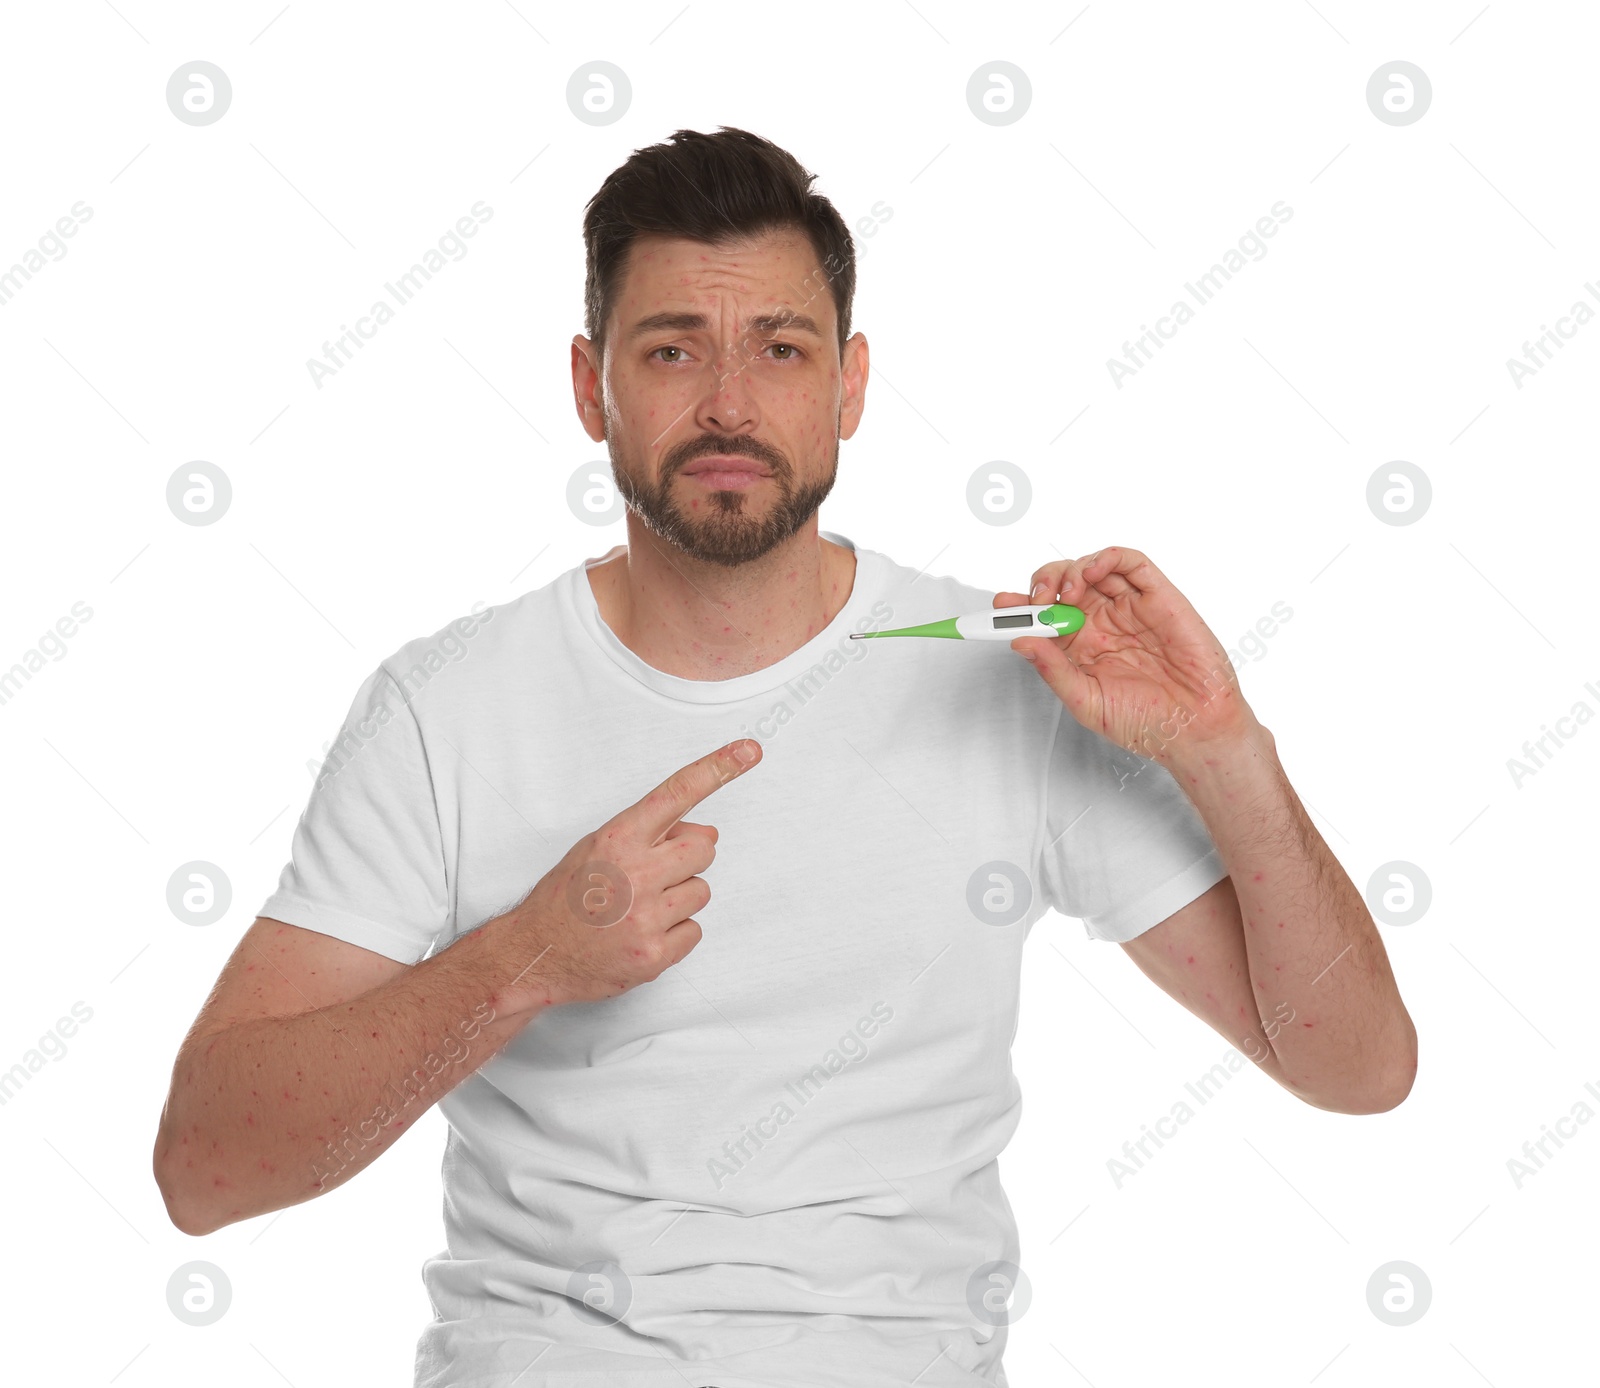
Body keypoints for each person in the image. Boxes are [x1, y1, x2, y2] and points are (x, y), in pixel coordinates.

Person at [152, 126, 1416, 1388]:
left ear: (849, 386)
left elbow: (1357, 1067)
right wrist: (522, 959)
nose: (727, 403)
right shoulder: (442, 706)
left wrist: (1224, 750)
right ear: (592, 386)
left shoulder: (1009, 674)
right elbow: (205, 1168)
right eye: (670, 350)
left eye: (780, 348)